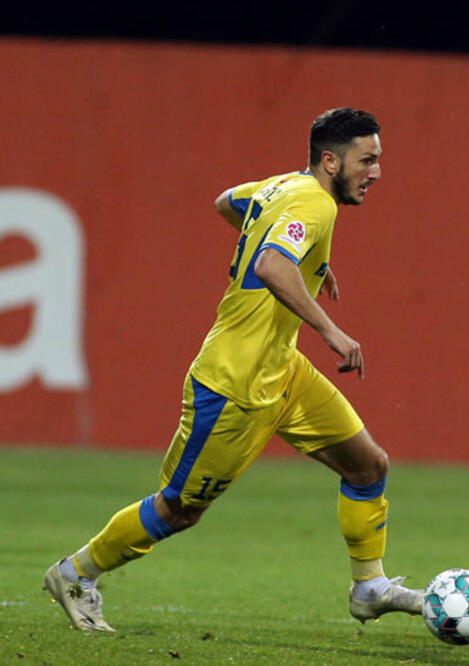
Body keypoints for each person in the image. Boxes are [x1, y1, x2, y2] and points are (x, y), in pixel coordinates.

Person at [43, 108, 424, 632]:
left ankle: (369, 588)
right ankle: (74, 572)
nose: (377, 171)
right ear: (331, 161)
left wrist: (310, 262)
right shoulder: (314, 204)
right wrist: (331, 331)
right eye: (368, 159)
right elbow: (270, 264)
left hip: (282, 372)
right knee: (178, 510)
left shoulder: (283, 187)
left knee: (368, 467)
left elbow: (228, 202)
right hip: (232, 386)